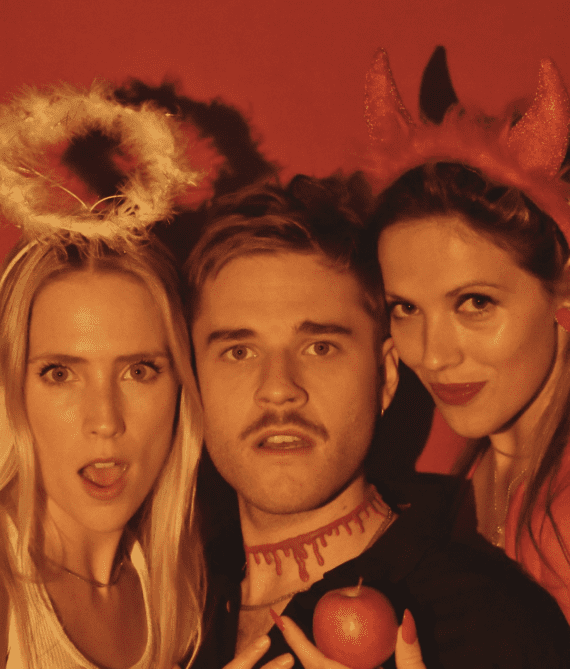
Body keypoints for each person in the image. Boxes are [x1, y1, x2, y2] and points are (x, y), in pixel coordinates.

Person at [183, 174, 570, 669]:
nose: (278, 388)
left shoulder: (488, 623)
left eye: (320, 347)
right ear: (192, 381)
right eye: (239, 351)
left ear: (386, 376)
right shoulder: (158, 606)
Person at [0, 82, 207, 668]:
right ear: (11, 386)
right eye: (59, 373)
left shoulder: (177, 587)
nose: (105, 421)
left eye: (140, 370)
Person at [366, 48, 570, 621]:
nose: (433, 355)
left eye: (475, 303)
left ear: (562, 288)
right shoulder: (484, 473)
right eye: (406, 308)